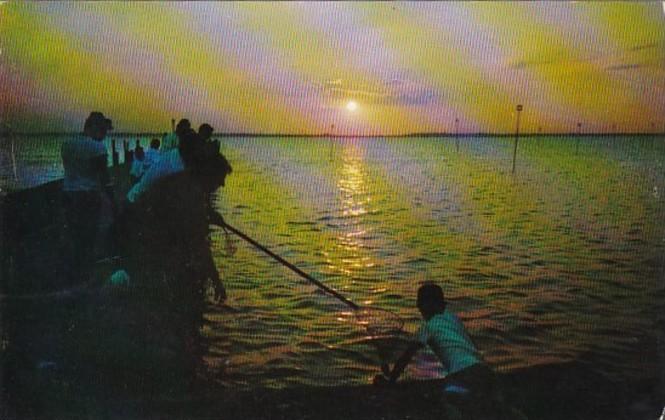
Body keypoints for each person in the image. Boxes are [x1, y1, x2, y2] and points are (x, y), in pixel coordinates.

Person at [113, 132, 232, 387]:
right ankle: (182, 369)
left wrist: (210, 215)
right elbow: (199, 247)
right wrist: (217, 281)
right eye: (220, 180)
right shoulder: (187, 191)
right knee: (171, 299)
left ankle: (181, 360)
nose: (221, 186)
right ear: (209, 175)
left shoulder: (186, 180)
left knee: (169, 298)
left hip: (143, 235)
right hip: (143, 239)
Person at [376, 283, 502, 419]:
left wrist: (391, 381)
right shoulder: (454, 319)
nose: (418, 307)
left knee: (448, 403)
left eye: (420, 303)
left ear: (428, 305)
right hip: (484, 370)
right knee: (491, 406)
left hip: (462, 375)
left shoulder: (428, 326)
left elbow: (406, 356)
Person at [60, 111, 114, 285]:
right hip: (88, 196)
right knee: (89, 236)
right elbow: (104, 178)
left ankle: (71, 274)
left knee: (74, 234)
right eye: (104, 131)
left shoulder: (67, 144)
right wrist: (112, 200)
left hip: (68, 194)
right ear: (95, 127)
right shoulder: (97, 148)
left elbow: (70, 170)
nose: (105, 136)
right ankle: (85, 276)